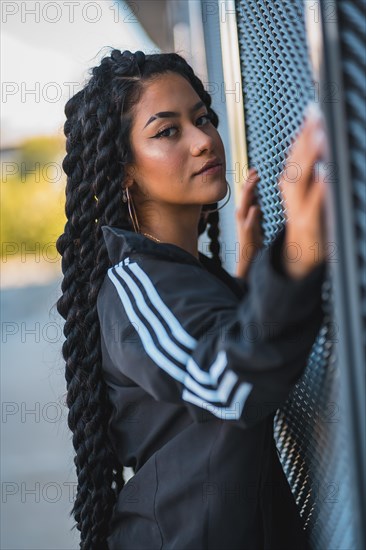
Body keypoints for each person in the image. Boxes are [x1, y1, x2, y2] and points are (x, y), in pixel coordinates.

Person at [56, 49, 328, 550]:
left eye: (202, 118)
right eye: (167, 131)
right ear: (124, 173)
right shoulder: (134, 283)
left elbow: (207, 357)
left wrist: (245, 287)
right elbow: (222, 385)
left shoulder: (189, 273)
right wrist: (293, 259)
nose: (204, 141)